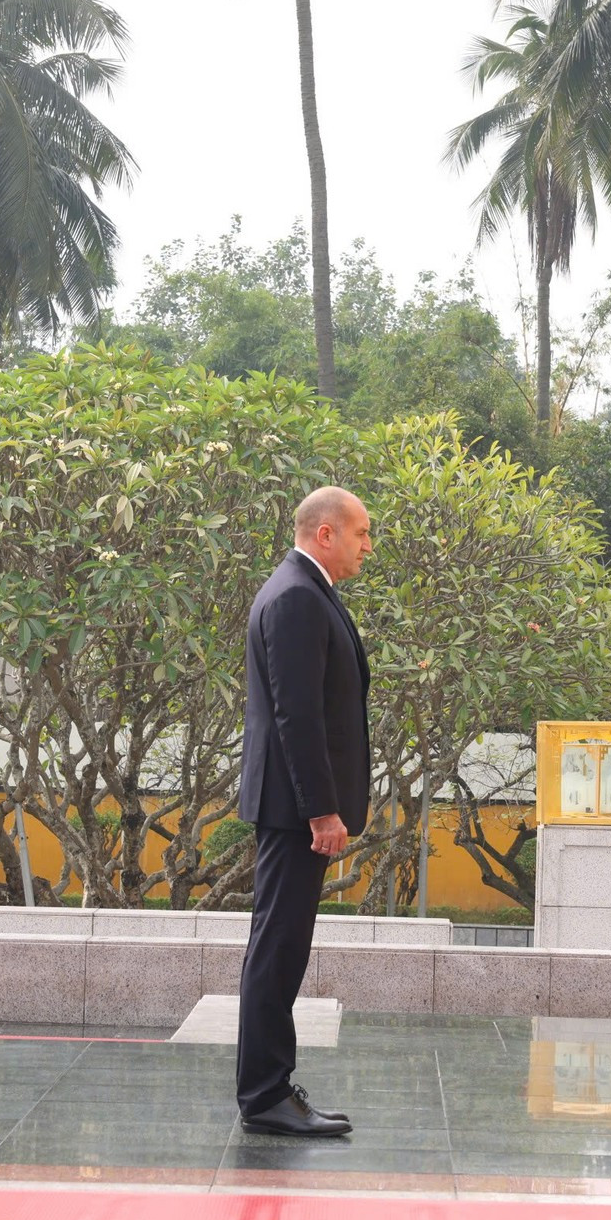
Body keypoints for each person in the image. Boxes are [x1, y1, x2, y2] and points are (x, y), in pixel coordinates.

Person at [235, 486, 373, 1138]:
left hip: (294, 809)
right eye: (361, 533)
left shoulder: (304, 590)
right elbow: (297, 716)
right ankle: (265, 1094)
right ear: (326, 533)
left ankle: (268, 1088)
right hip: (295, 812)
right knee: (278, 949)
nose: (367, 546)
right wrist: (322, 811)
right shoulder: (295, 596)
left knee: (281, 947)